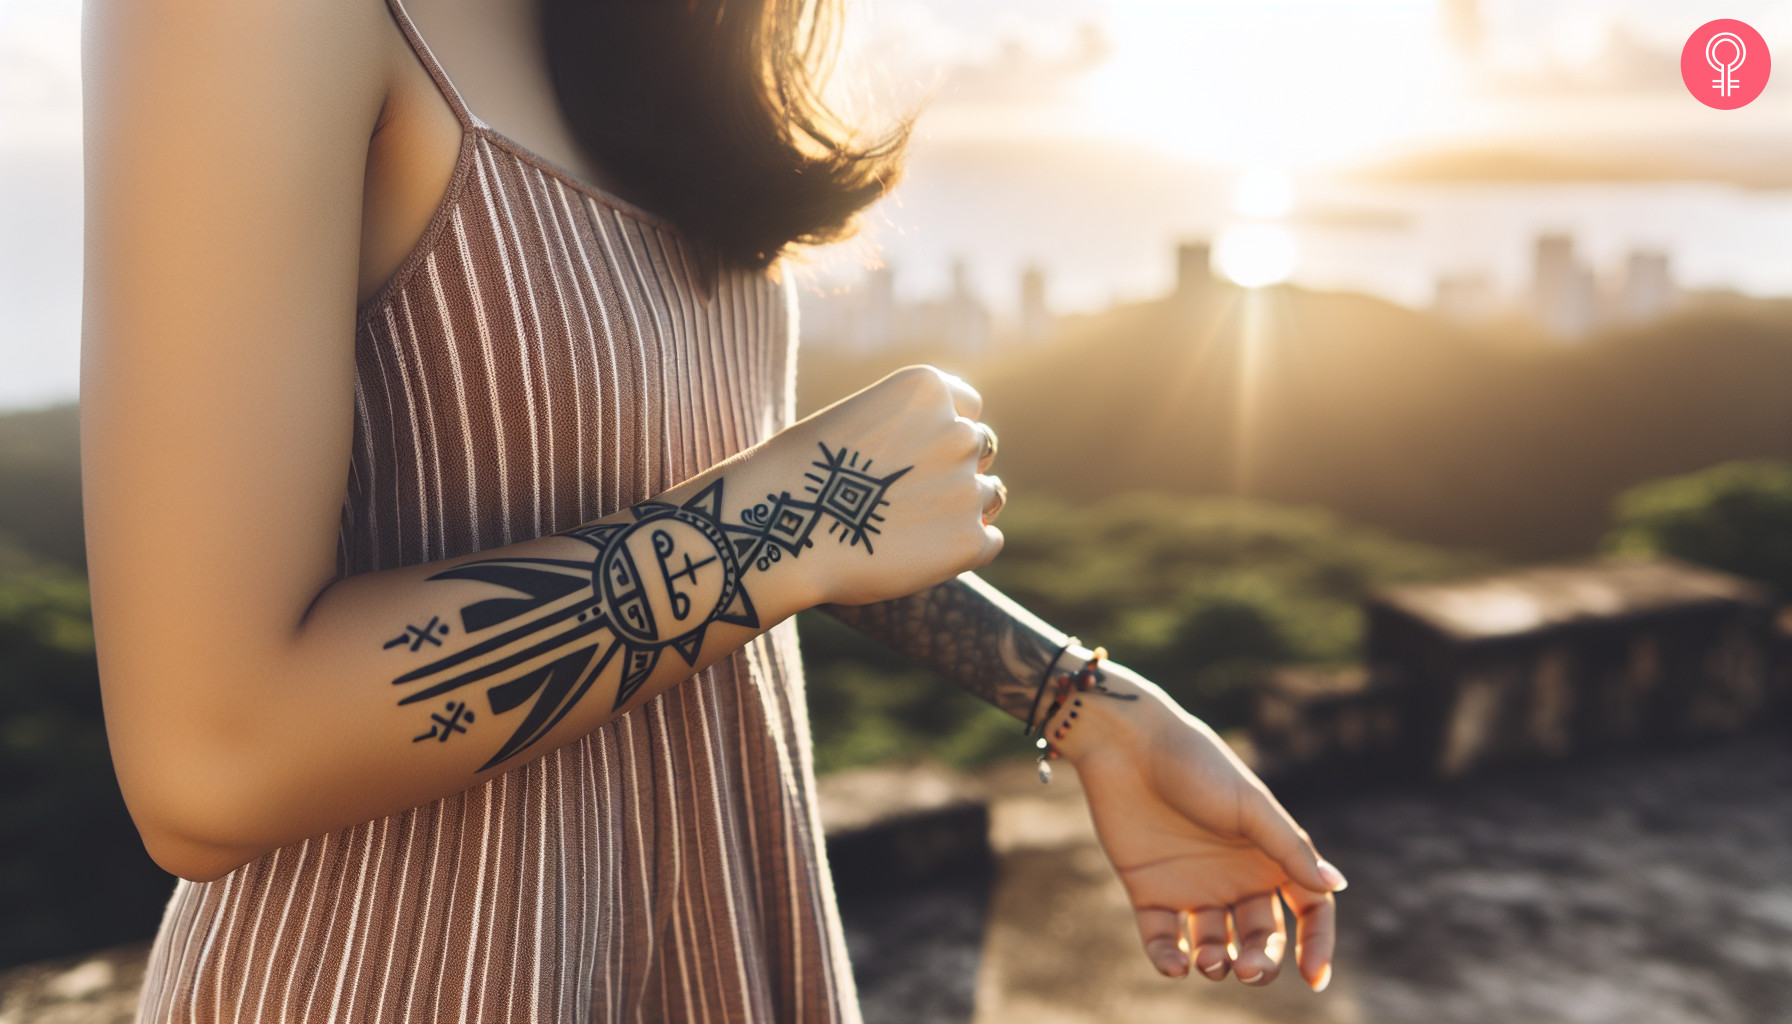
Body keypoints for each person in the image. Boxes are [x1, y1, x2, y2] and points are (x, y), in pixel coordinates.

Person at [80, 0, 1346, 1019]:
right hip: (406, 973)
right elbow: (210, 759)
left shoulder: (639, 32)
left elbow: (700, 516)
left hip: (728, 935)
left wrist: (1080, 702)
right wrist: (800, 510)